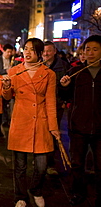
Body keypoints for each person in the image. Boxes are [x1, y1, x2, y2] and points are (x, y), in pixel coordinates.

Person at [1, 38, 60, 207]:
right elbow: (7, 97)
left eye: (32, 50)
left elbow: (50, 102)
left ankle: (36, 190)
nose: (27, 53)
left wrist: (54, 127)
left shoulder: (49, 74)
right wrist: (6, 87)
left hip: (41, 122)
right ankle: (20, 196)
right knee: (20, 165)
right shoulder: (14, 71)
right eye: (25, 49)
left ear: (40, 54)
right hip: (21, 121)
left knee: (41, 165)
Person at [59, 35, 101, 207]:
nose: (90, 53)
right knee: (77, 164)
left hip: (100, 128)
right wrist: (64, 86)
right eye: (87, 49)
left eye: (95, 49)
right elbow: (64, 98)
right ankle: (78, 193)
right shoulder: (76, 72)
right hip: (78, 127)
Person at [42, 41, 70, 175]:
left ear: (54, 52)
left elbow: (69, 88)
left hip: (56, 105)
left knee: (53, 133)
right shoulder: (38, 66)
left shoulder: (64, 66)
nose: (46, 54)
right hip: (41, 105)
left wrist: (64, 96)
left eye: (48, 51)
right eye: (43, 51)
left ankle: (50, 163)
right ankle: (40, 159)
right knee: (41, 132)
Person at [0, 43, 14, 128]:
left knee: (10, 103)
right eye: (8, 52)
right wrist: (6, 70)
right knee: (2, 103)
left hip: (11, 84)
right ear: (4, 51)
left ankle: (9, 120)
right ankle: (4, 120)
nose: (9, 54)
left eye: (11, 52)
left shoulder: (13, 60)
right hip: (0, 83)